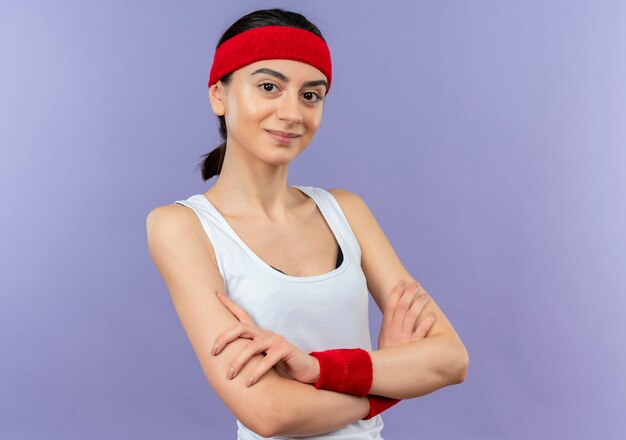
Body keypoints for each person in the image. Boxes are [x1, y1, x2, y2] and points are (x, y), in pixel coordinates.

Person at [146, 7, 468, 439]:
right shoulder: (181, 227)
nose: (292, 112)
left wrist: (318, 368)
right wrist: (388, 380)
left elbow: (450, 359)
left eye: (310, 95)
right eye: (268, 87)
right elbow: (270, 412)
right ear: (218, 95)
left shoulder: (346, 211)